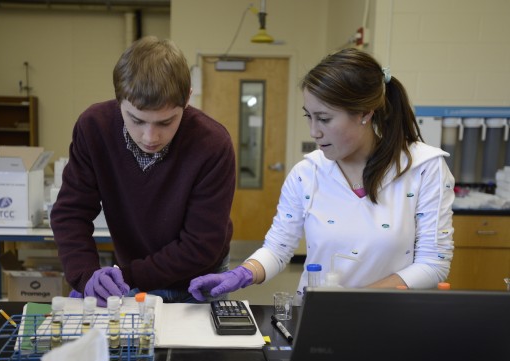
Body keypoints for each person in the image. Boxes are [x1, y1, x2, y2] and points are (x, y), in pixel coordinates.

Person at [189, 48, 455, 305]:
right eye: (309, 117)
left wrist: (353, 301)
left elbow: (433, 265)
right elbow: (278, 249)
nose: (314, 131)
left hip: (391, 319)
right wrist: (243, 274)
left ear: (364, 113)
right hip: (316, 317)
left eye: (324, 119)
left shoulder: (423, 168)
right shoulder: (307, 173)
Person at [51, 36, 236, 306]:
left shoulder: (212, 143)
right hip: (130, 277)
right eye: (136, 120)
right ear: (119, 101)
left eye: (166, 122)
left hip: (199, 278)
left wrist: (125, 276)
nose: (150, 136)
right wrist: (86, 275)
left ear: (187, 99)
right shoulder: (94, 128)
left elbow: (200, 244)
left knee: (198, 349)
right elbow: (70, 212)